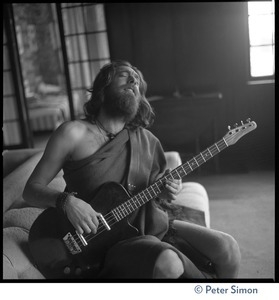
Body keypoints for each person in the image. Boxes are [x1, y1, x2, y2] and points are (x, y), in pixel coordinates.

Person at [23, 60, 241, 279]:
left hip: (149, 227)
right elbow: (31, 190)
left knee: (227, 247)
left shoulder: (148, 140)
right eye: (124, 75)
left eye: (137, 81)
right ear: (103, 86)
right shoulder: (72, 133)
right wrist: (67, 202)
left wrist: (166, 191)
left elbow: (158, 199)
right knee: (168, 263)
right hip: (105, 243)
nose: (133, 81)